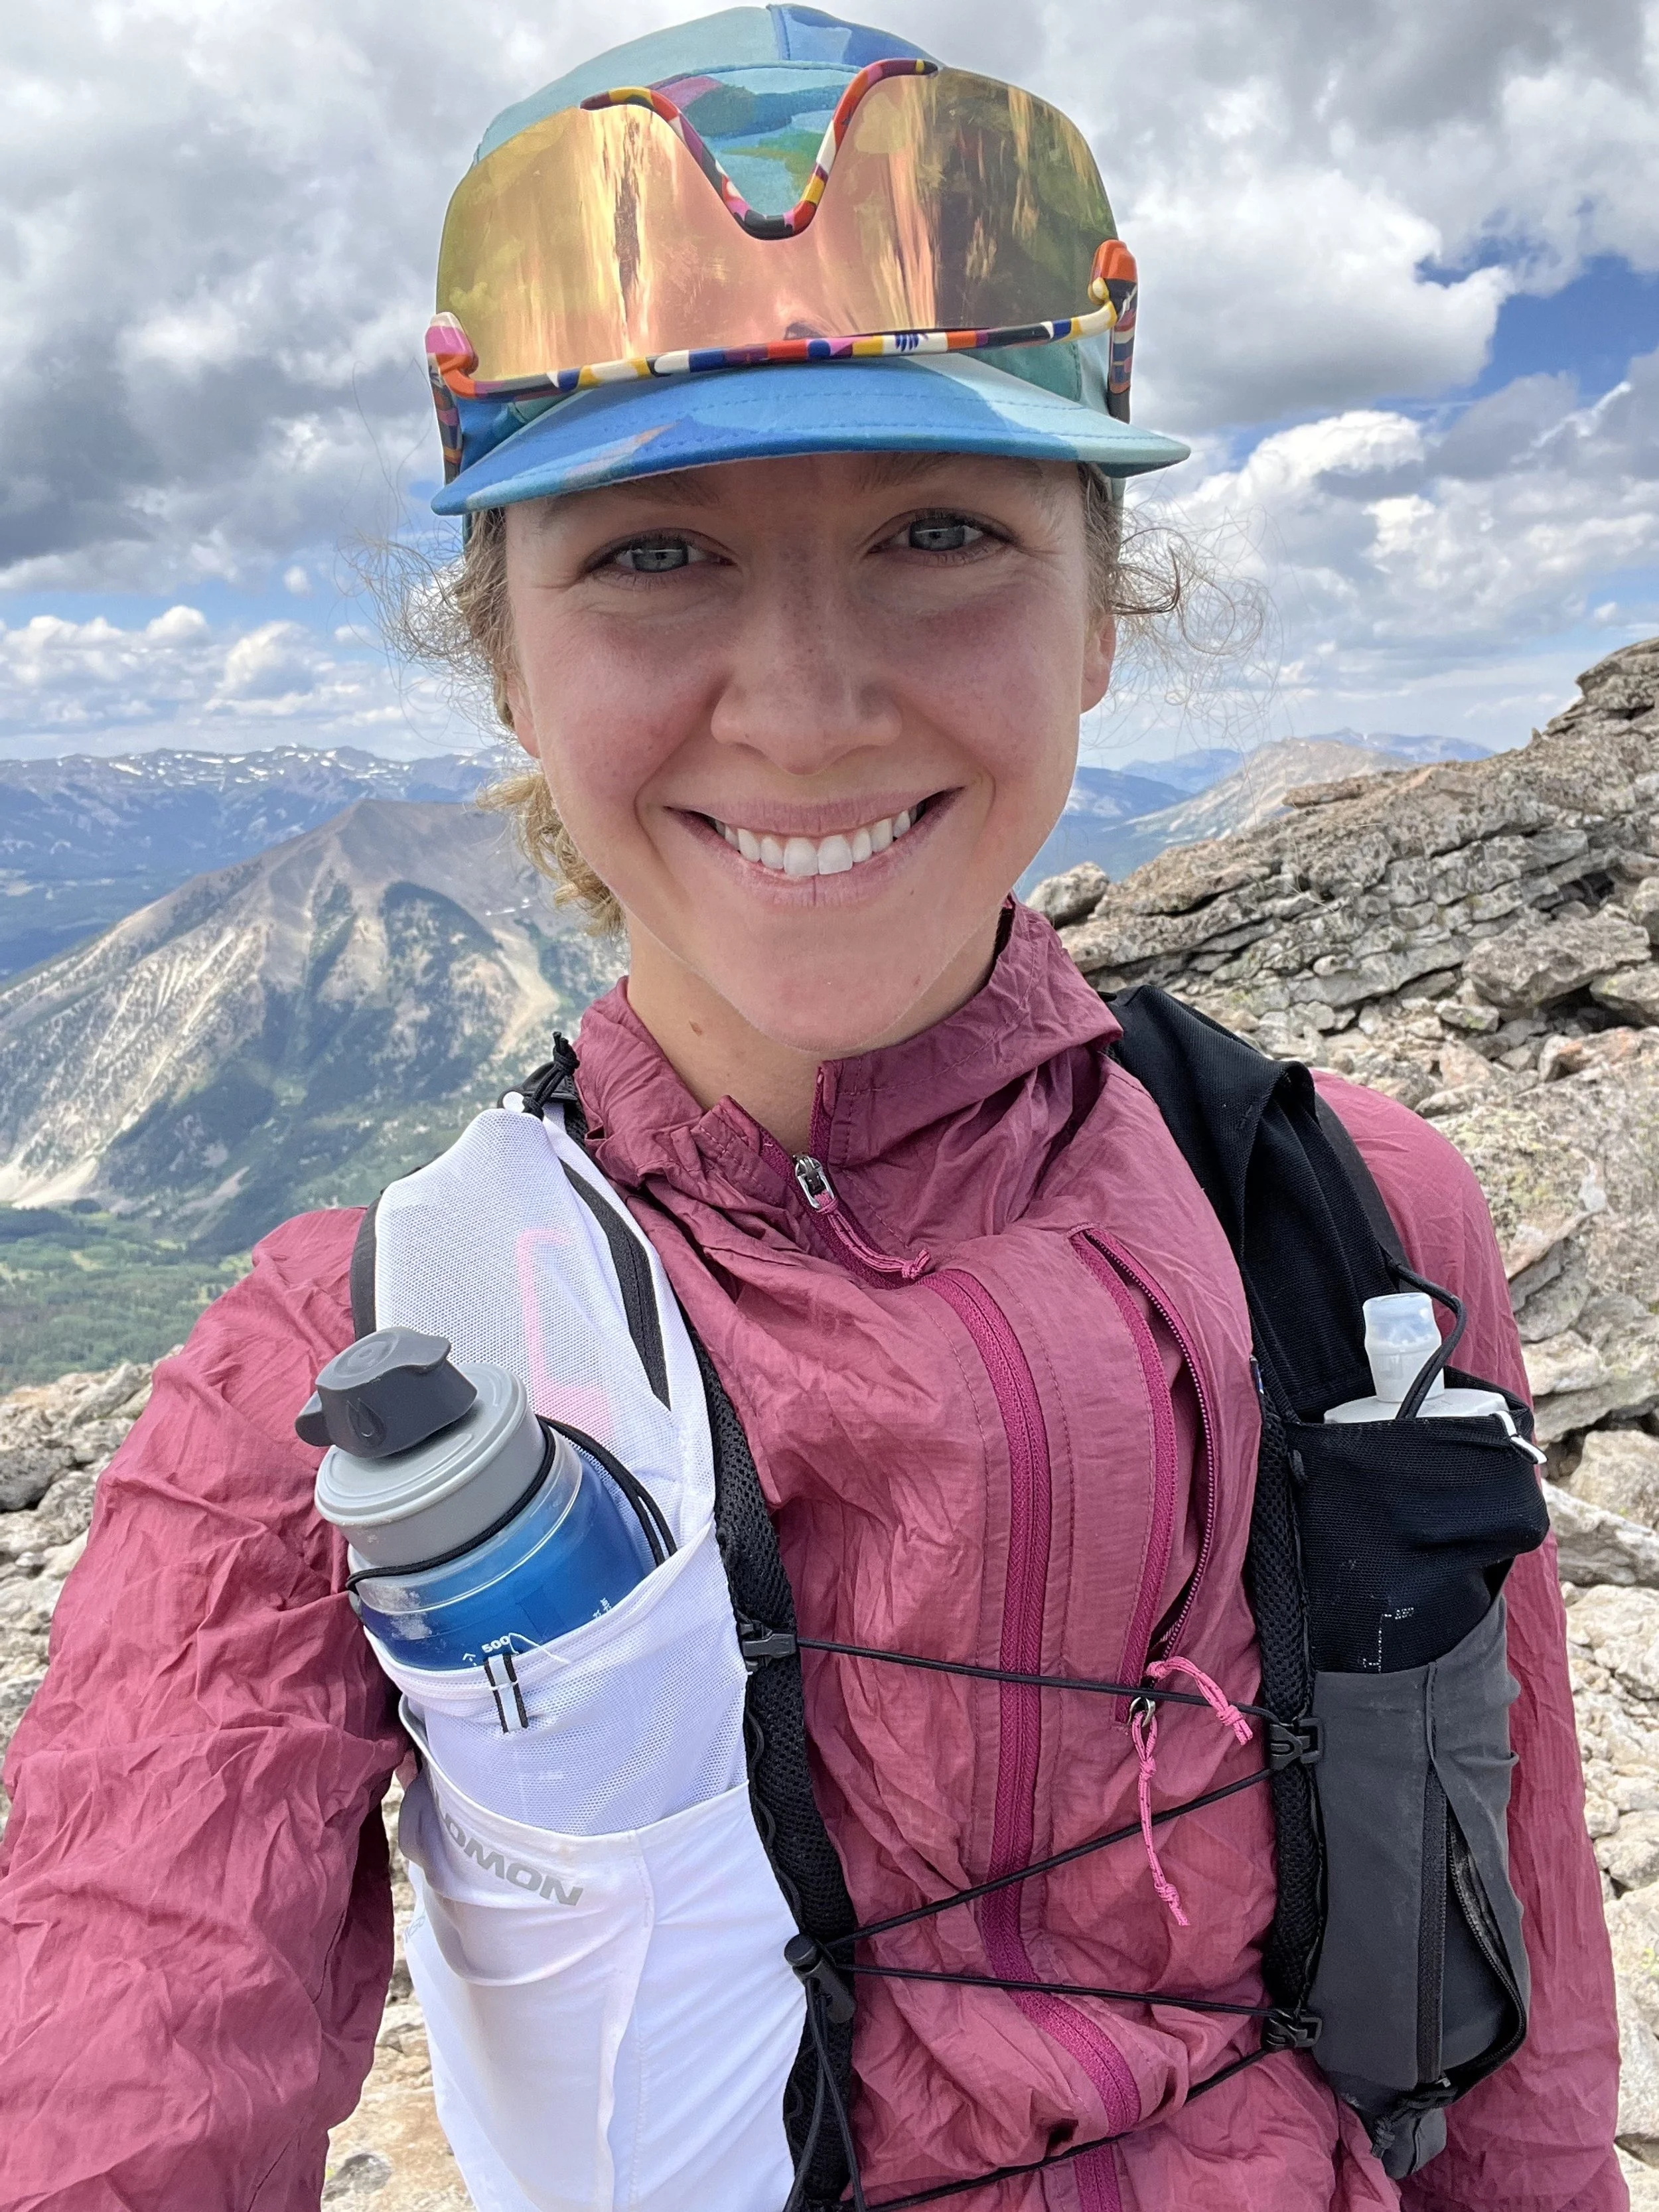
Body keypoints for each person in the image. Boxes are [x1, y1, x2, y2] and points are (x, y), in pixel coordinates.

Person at [0, 9, 1621, 2209]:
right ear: (505, 652)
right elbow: (121, 2058)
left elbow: (1510, 2016)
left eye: (939, 526)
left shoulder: (1351, 1225)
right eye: (654, 553)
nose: (806, 700)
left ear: (1098, 625)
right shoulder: (344, 1365)